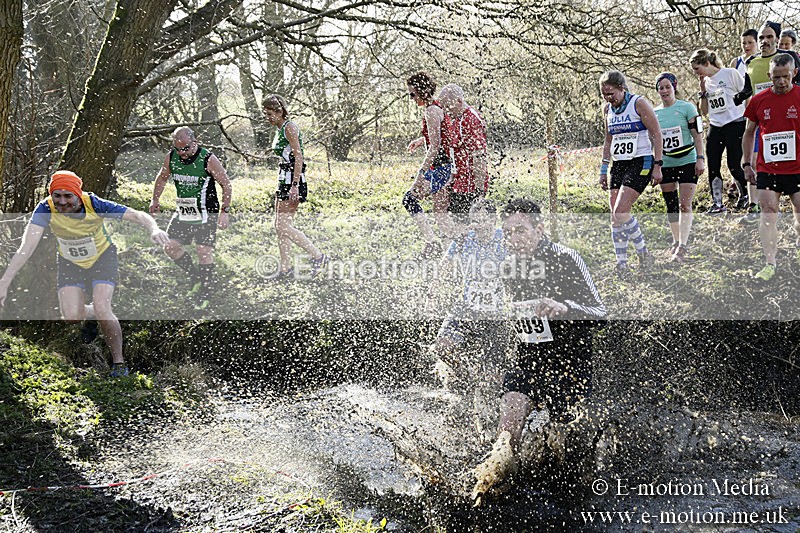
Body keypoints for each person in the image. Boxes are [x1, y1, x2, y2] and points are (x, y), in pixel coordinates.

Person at [471, 198, 606, 503]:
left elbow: (601, 313)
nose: (512, 238)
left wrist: (564, 307)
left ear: (540, 229)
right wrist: (495, 358)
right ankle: (492, 484)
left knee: (562, 452)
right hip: (528, 356)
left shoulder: (567, 258)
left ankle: (565, 499)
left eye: (520, 230)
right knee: (508, 426)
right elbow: (511, 317)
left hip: (569, 361)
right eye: (506, 232)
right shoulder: (508, 267)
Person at [0, 171, 170, 377]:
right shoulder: (45, 209)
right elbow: (26, 248)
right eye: (57, 196)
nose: (62, 202)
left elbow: (136, 215)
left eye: (68, 196)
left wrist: (154, 228)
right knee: (72, 316)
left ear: (78, 195)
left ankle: (119, 363)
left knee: (102, 306)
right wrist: (5, 281)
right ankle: (92, 315)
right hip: (70, 262)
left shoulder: (94, 204)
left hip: (102, 258)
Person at [150, 126, 232, 310]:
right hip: (184, 211)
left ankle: (206, 290)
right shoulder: (172, 157)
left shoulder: (208, 159)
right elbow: (162, 178)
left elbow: (226, 184)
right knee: (170, 246)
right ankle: (195, 276)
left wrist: (225, 211)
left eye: (186, 148)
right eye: (178, 148)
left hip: (206, 211)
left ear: (194, 143)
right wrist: (155, 199)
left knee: (203, 251)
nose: (182, 153)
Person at [733, 21, 800, 224]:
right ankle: (754, 205)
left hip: (788, 119)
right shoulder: (751, 62)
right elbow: (748, 88)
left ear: (777, 39)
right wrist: (738, 97)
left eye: (769, 37)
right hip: (762, 116)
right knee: (752, 162)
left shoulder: (789, 58)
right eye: (761, 37)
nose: (764, 41)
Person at [741, 53, 800, 282]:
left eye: (786, 76)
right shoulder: (759, 100)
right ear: (769, 75)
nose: (782, 81)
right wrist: (747, 163)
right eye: (777, 77)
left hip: (797, 167)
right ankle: (770, 263)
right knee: (768, 213)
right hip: (768, 168)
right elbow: (748, 132)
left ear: (794, 73)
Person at [598, 70, 663, 277]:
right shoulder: (607, 109)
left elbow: (656, 133)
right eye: (604, 94)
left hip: (641, 161)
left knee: (621, 211)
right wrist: (603, 170)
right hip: (619, 163)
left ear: (621, 88)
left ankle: (644, 253)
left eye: (611, 93)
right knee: (615, 217)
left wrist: (658, 164)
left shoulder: (639, 103)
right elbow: (608, 141)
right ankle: (622, 264)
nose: (609, 98)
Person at [262, 94, 327, 279]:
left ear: (279, 111)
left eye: (269, 114)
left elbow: (298, 156)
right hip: (283, 177)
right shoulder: (279, 128)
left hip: (293, 178)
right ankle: (285, 269)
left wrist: (295, 185)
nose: (267, 117)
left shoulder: (289, 127)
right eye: (265, 114)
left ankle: (318, 256)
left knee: (282, 226)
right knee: (280, 226)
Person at [653, 72, 705, 263]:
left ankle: (683, 244)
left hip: (687, 160)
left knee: (685, 204)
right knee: (671, 205)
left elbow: (697, 135)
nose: (664, 91)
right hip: (667, 162)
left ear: (674, 87)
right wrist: (655, 165)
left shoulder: (687, 108)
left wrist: (701, 158)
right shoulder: (654, 112)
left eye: (668, 87)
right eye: (661, 88)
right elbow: (654, 141)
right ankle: (676, 240)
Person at [404, 72, 455, 258]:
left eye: (412, 94)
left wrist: (421, 171)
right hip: (442, 166)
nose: (411, 98)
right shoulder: (435, 107)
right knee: (440, 214)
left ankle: (434, 244)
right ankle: (448, 251)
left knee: (410, 200)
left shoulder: (431, 111)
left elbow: (435, 147)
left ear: (422, 91)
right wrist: (421, 140)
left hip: (440, 168)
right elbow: (439, 136)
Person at [692, 49, 746, 215]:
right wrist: (702, 92)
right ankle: (717, 203)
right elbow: (704, 111)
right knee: (713, 164)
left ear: (707, 63)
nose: (695, 73)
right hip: (716, 126)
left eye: (697, 68)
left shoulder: (730, 73)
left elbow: (746, 94)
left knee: (734, 163)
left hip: (735, 123)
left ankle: (745, 196)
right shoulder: (706, 82)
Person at [438, 84, 489, 227]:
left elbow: (479, 157)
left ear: (459, 101)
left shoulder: (470, 120)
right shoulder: (457, 118)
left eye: (448, 106)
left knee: (467, 229)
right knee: (457, 226)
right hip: (459, 184)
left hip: (470, 187)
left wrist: (479, 193)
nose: (447, 111)